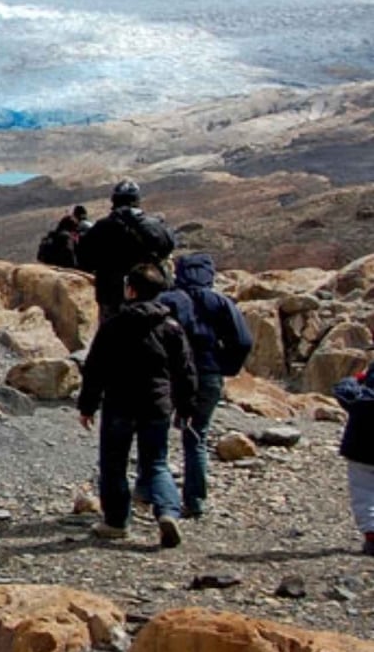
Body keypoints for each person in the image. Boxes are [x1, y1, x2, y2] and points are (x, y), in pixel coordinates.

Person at [78, 263, 197, 548]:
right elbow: (185, 370)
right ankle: (168, 513)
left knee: (114, 464)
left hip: (120, 403)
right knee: (156, 462)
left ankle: (116, 523)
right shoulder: (170, 326)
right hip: (157, 405)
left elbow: (96, 368)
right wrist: (186, 406)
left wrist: (87, 405)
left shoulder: (114, 325)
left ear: (130, 289)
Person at [156, 253, 254, 518]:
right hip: (208, 374)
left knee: (157, 434)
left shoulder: (168, 300)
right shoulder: (220, 302)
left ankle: (157, 496)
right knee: (197, 436)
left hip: (170, 375)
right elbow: (243, 341)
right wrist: (225, 366)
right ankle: (194, 501)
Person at [76, 180, 176, 322]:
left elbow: (84, 260)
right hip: (148, 291)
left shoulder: (100, 228)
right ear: (137, 200)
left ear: (114, 200)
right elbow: (168, 247)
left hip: (111, 294)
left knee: (113, 335)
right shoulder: (153, 225)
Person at [332, 365, 374, 556]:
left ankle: (372, 535)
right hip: (360, 449)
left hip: (360, 449)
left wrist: (356, 379)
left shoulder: (363, 395)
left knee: (364, 493)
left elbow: (344, 392)